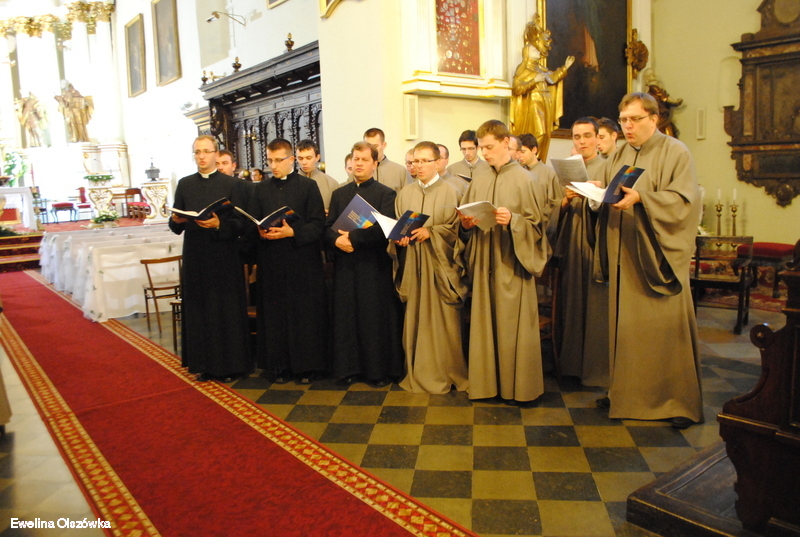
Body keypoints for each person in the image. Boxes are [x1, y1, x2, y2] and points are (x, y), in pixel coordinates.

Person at [594, 92, 703, 428]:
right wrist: (596, 191)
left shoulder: (675, 151)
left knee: (663, 331)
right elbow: (611, 192)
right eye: (623, 120)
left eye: (635, 119)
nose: (627, 126)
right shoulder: (621, 153)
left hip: (657, 256)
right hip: (624, 253)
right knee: (627, 331)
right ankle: (624, 393)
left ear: (654, 119)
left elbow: (684, 202)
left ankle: (675, 401)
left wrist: (643, 199)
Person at [456, 120, 547, 404]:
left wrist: (514, 221)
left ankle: (517, 388)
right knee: (485, 324)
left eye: (489, 147)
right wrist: (466, 224)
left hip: (512, 264)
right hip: (484, 262)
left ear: (506, 143)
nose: (484, 153)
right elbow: (465, 222)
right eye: (481, 148)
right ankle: (486, 385)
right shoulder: (480, 179)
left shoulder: (526, 180)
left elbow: (538, 228)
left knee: (511, 326)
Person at [169, 135, 251, 382]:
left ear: (216, 154)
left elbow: (242, 223)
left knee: (225, 310)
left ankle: (231, 366)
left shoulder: (232, 185)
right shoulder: (185, 184)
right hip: (195, 256)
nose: (201, 156)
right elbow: (176, 225)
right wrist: (175, 220)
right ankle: (203, 365)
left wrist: (219, 224)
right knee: (200, 310)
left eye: (206, 151)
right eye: (197, 152)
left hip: (224, 257)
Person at [248, 138, 329, 384]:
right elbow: (252, 222)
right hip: (271, 262)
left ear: (291, 159)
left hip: (301, 262)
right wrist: (259, 230)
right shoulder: (260, 189)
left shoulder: (308, 186)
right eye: (270, 161)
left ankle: (306, 367)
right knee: (275, 315)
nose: (273, 166)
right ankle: (279, 366)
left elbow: (318, 225)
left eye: (278, 160)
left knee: (303, 315)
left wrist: (293, 232)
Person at [325, 142, 404, 387]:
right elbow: (327, 228)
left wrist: (353, 238)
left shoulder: (386, 194)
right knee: (347, 318)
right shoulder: (339, 194)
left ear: (374, 164)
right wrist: (336, 240)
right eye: (356, 159)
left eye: (364, 160)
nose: (359, 164)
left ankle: (376, 372)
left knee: (372, 319)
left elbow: (384, 230)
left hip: (373, 267)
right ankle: (348, 369)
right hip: (345, 266)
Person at [392, 141, 468, 394]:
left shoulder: (452, 192)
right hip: (414, 265)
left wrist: (432, 232)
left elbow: (460, 232)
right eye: (415, 161)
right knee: (415, 320)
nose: (419, 166)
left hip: (441, 269)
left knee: (445, 323)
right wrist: (399, 240)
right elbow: (398, 229)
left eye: (425, 161)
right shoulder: (405, 194)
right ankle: (418, 373)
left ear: (437, 163)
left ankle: (448, 373)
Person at [553, 117, 608, 387]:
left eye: (587, 136)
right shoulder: (567, 169)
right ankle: (570, 365)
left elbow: (615, 208)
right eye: (577, 137)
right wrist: (565, 200)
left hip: (595, 247)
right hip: (570, 246)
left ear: (598, 138)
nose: (582, 141)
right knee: (570, 304)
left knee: (594, 307)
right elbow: (551, 208)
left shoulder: (607, 167)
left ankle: (594, 368)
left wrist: (597, 197)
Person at [509, 15, 574, 162]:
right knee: (540, 132)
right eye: (534, 49)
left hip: (545, 103)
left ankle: (539, 161)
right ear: (527, 52)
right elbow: (517, 88)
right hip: (533, 104)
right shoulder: (523, 69)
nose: (538, 51)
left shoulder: (541, 69)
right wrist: (534, 81)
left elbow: (552, 78)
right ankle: (531, 160)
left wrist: (565, 68)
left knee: (546, 134)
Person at [296, 139, 339, 214]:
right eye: (300, 158)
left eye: (308, 158)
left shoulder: (331, 183)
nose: (304, 162)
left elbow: (338, 210)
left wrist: (330, 214)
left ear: (317, 157)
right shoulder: (290, 182)